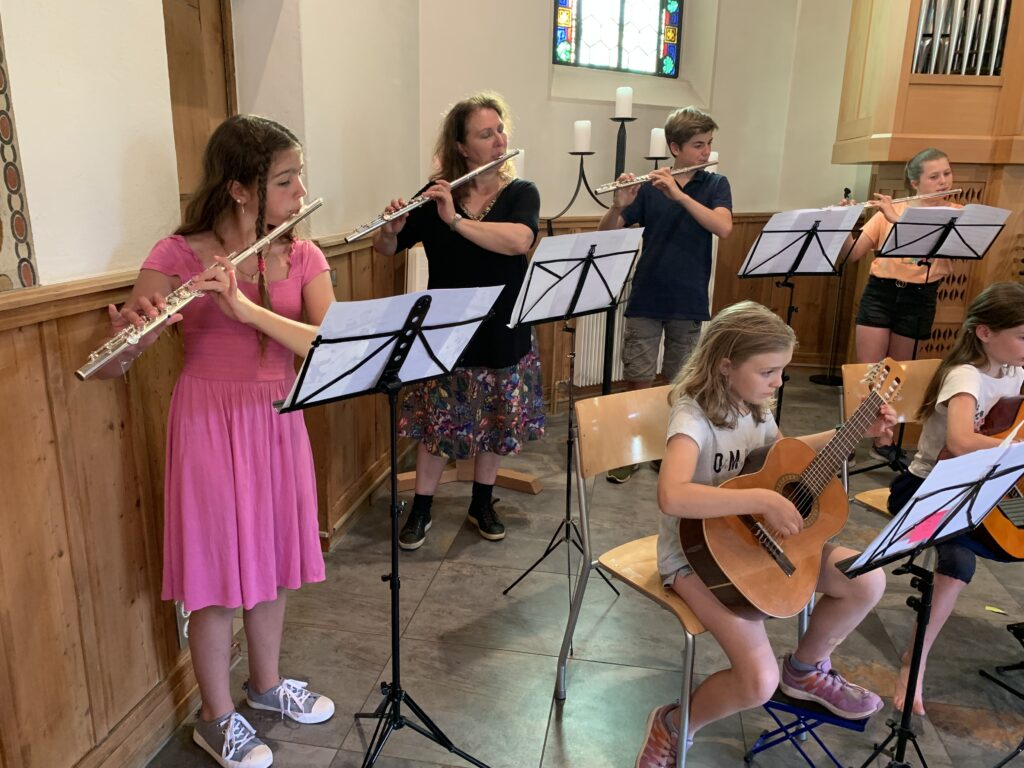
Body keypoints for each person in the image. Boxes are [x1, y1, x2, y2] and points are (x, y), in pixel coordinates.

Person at [100, 115, 335, 768]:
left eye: (297, 179)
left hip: (279, 418)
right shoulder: (176, 255)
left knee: (274, 560)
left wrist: (246, 309)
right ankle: (216, 716)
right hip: (207, 423)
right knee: (213, 575)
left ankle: (265, 686)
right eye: (285, 181)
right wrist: (135, 333)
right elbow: (120, 362)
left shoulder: (303, 254)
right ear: (240, 189)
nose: (298, 193)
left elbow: (328, 345)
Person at [638, 300, 892, 767]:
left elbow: (780, 457)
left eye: (781, 372)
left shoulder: (755, 406)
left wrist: (849, 432)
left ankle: (806, 670)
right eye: (769, 371)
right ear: (725, 365)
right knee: (756, 682)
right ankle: (676, 724)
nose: (778, 382)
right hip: (697, 558)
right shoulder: (691, 417)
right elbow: (672, 496)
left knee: (868, 579)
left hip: (759, 543)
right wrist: (761, 500)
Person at [371, 92, 544, 550]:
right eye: (485, 134)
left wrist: (456, 222)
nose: (498, 139)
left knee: (492, 421)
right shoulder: (435, 196)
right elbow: (388, 249)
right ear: (463, 147)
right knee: (435, 425)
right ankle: (422, 507)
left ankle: (481, 503)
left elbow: (518, 242)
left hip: (503, 327)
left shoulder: (520, 193)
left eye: (499, 129)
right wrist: (389, 231)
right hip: (446, 331)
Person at [885, 282, 1024, 716]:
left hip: (988, 484)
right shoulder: (965, 375)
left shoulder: (1015, 371)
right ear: (984, 333)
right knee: (959, 563)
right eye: (1022, 335)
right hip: (930, 487)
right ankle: (914, 663)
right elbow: (961, 442)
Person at [597, 105, 732, 484]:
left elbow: (723, 228)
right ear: (675, 147)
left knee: (679, 382)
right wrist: (618, 204)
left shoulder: (714, 185)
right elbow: (607, 233)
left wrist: (681, 197)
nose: (706, 153)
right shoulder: (650, 186)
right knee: (637, 378)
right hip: (647, 295)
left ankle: (666, 448)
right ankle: (631, 450)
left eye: (708, 145)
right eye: (697, 145)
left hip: (688, 299)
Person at [844, 147, 960, 465]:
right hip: (881, 292)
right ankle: (851, 437)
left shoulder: (956, 214)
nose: (943, 181)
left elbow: (946, 249)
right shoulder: (890, 211)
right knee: (867, 371)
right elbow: (853, 254)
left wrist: (899, 221)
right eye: (934, 176)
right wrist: (844, 222)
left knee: (897, 372)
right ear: (915, 183)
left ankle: (885, 438)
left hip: (920, 296)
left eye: (946, 174)